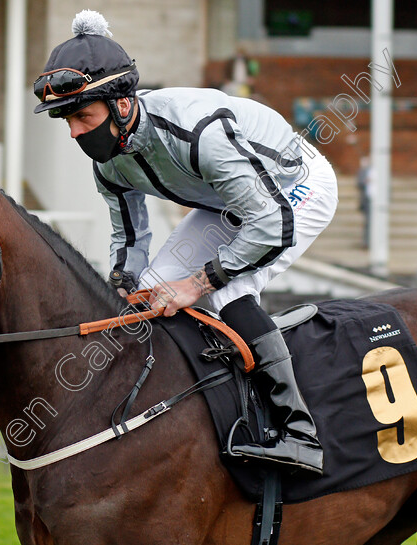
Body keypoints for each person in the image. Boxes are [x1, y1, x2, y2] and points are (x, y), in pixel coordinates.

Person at [33, 11, 339, 475]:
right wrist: (121, 284)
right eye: (66, 119)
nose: (74, 131)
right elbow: (129, 238)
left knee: (228, 289)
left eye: (81, 115)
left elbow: (269, 222)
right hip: (226, 202)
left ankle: (298, 433)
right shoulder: (109, 163)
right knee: (154, 291)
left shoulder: (199, 132)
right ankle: (183, 421)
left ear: (120, 104)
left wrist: (199, 283)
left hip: (294, 186)